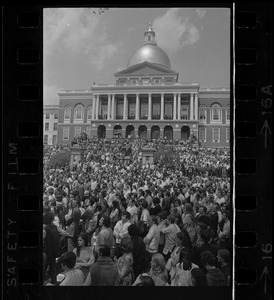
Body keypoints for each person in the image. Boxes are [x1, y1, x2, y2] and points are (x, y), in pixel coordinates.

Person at [43, 211, 60, 285]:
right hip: (54, 251)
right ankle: (54, 281)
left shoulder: (46, 229)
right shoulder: (55, 227)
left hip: (47, 251)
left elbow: (46, 242)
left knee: (44, 268)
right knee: (53, 268)